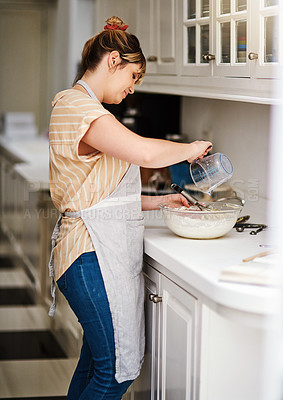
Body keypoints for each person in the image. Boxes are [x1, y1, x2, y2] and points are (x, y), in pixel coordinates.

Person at [48, 16, 212, 400]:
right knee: (117, 373)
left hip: (93, 252)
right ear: (113, 60)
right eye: (133, 76)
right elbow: (142, 150)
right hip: (90, 255)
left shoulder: (86, 107)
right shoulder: (76, 107)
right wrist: (190, 150)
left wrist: (161, 201)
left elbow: (102, 196)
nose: (132, 88)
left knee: (96, 365)